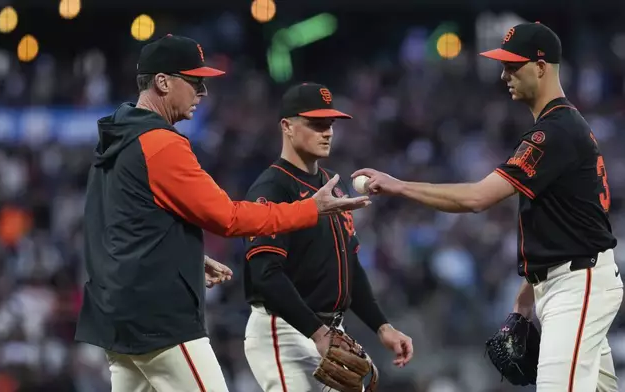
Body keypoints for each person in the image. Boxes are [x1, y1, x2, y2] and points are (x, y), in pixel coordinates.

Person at [74, 35, 371, 392]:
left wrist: (183, 256)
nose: (203, 92)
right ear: (163, 82)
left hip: (116, 317)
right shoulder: (159, 142)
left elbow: (116, 228)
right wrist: (310, 208)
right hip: (159, 320)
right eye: (195, 81)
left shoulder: (116, 138)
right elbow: (228, 218)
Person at [353, 22, 622, 391]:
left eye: (514, 66)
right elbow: (565, 223)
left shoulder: (553, 132)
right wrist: (527, 295)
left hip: (578, 282)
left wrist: (400, 186)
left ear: (541, 67)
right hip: (569, 279)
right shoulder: (558, 127)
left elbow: (478, 199)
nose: (504, 74)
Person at [242, 82, 413, 392]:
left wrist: (381, 326)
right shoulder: (272, 189)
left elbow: (351, 267)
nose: (327, 132)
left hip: (330, 331)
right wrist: (318, 333)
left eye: (330, 124)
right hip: (283, 331)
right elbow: (265, 276)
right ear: (287, 126)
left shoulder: (333, 187)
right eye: (316, 123)